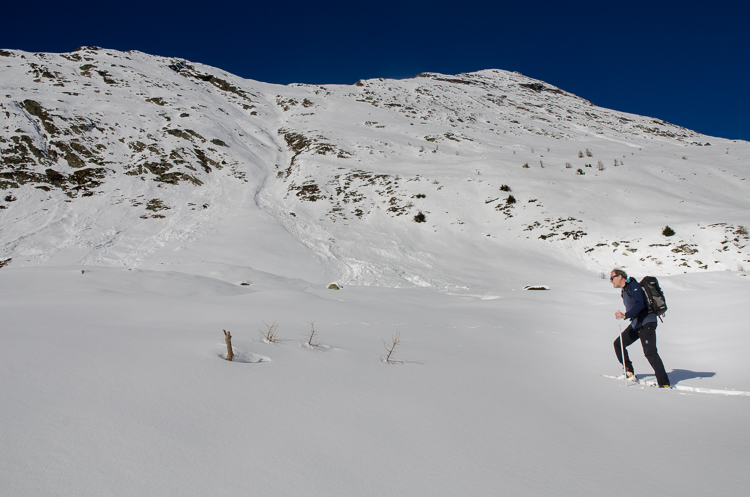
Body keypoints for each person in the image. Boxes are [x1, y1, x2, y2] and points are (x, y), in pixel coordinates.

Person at [610, 269, 670, 388]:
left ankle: (664, 384)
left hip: (646, 322)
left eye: (612, 278)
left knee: (650, 352)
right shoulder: (625, 290)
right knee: (618, 344)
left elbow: (640, 304)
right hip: (637, 324)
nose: (611, 281)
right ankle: (629, 372)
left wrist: (625, 315)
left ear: (620, 277)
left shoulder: (633, 285)